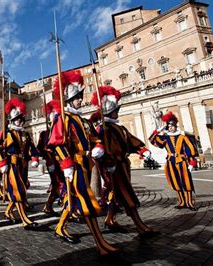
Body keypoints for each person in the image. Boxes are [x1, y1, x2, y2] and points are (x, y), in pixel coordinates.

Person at [47, 70, 118, 256]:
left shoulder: (83, 120)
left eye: (80, 96)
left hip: (86, 164)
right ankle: (100, 243)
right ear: (70, 99)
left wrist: (98, 147)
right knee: (87, 202)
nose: (80, 100)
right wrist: (66, 163)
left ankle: (60, 227)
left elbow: (94, 138)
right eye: (77, 97)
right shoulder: (63, 118)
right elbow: (56, 143)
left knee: (74, 200)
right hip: (74, 166)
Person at [91, 85, 158, 238]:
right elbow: (97, 145)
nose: (117, 112)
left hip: (122, 165)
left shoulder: (119, 128)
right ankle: (140, 226)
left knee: (116, 196)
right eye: (115, 111)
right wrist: (104, 155)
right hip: (111, 166)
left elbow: (130, 141)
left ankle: (109, 219)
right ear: (110, 112)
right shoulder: (102, 129)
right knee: (127, 195)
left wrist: (142, 150)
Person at [1, 98, 40, 230]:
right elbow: (2, 150)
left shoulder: (25, 134)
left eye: (20, 119)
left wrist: (34, 158)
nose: (18, 121)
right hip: (13, 165)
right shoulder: (9, 134)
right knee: (18, 191)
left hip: (23, 165)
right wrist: (3, 164)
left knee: (22, 189)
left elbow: (32, 147)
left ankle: (8, 212)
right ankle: (24, 219)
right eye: (16, 119)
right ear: (12, 120)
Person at [149, 111, 198, 211]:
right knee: (176, 182)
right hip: (170, 162)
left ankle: (189, 203)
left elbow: (190, 149)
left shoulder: (182, 137)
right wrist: (159, 130)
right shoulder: (165, 138)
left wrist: (192, 162)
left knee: (186, 182)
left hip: (182, 162)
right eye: (169, 126)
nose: (170, 128)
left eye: (172, 126)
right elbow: (152, 140)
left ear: (176, 126)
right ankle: (182, 202)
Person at [37, 99, 64, 217]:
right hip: (52, 162)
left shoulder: (60, 128)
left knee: (60, 184)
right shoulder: (44, 133)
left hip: (62, 161)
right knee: (58, 184)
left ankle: (49, 206)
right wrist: (47, 157)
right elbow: (39, 149)